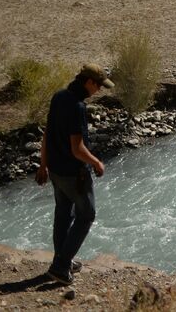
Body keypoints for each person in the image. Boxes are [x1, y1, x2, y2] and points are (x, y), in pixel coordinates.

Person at [36, 64, 112, 285]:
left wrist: (43, 165)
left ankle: (62, 262)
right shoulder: (77, 107)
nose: (98, 90)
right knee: (86, 215)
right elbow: (77, 149)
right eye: (98, 86)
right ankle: (60, 267)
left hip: (56, 172)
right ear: (89, 82)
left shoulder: (58, 97)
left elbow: (47, 135)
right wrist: (97, 162)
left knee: (62, 214)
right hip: (74, 174)